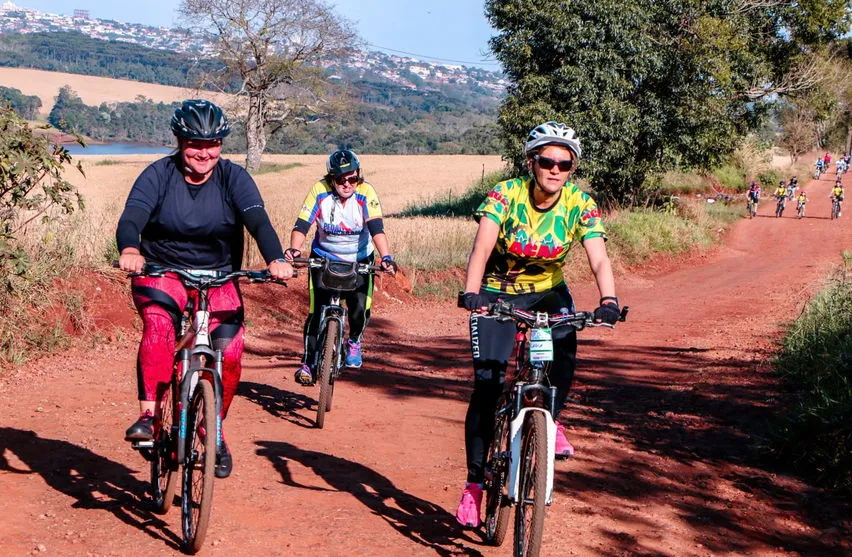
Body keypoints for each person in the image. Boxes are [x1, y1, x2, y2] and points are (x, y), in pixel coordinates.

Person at [454, 121, 620, 528]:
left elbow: (598, 257)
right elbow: (482, 246)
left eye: (565, 164)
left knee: (565, 350)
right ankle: (475, 485)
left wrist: (609, 300)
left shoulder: (581, 204)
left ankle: (552, 420)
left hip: (548, 291)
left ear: (572, 169)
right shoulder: (505, 195)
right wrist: (472, 293)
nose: (555, 170)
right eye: (547, 160)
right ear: (532, 162)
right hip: (497, 290)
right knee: (488, 384)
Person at [116, 99, 292, 479]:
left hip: (218, 275)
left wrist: (275, 258)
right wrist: (130, 249)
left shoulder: (234, 177)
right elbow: (132, 217)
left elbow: (258, 222)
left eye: (213, 144)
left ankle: (211, 427)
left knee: (229, 352)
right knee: (160, 328)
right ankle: (149, 416)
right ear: (179, 142)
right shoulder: (158, 175)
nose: (204, 153)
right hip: (163, 270)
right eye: (195, 144)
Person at [285, 149, 397, 386]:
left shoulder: (366, 193)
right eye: (340, 179)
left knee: (359, 309)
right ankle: (308, 362)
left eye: (352, 178)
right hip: (324, 257)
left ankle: (354, 340)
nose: (347, 184)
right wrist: (294, 249)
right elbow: (302, 223)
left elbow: (376, 227)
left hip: (359, 259)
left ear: (358, 176)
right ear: (331, 179)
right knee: (317, 311)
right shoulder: (320, 191)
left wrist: (385, 256)